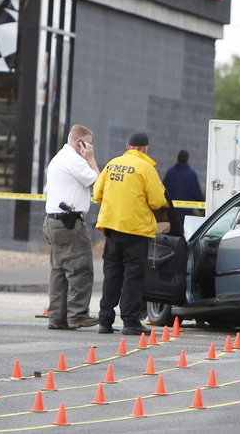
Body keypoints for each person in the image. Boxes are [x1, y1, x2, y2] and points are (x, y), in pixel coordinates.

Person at [93, 131, 167, 335]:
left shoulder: (112, 164)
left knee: (112, 274)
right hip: (135, 230)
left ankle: (105, 320)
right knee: (133, 276)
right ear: (145, 149)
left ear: (128, 147)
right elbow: (157, 201)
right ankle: (130, 321)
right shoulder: (146, 168)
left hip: (112, 228)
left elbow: (97, 193)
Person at [43, 124, 100, 330]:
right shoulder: (75, 160)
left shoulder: (58, 158)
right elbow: (98, 184)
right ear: (80, 144)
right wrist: (90, 158)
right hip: (69, 222)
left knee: (59, 271)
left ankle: (57, 317)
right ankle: (78, 314)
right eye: (88, 144)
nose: (90, 148)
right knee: (80, 269)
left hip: (53, 221)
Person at [162, 149, 203, 228]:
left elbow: (163, 190)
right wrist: (202, 209)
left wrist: (162, 209)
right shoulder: (191, 174)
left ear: (177, 159)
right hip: (186, 214)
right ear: (188, 161)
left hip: (172, 213)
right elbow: (197, 193)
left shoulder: (170, 173)